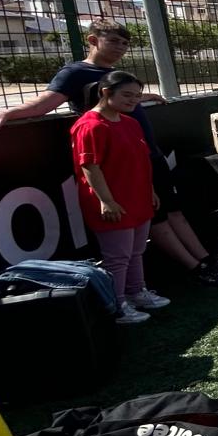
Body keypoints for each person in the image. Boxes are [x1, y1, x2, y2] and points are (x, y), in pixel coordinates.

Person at [0, 18, 218, 286]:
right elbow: (44, 104)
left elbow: (121, 99)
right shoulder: (74, 73)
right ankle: (194, 268)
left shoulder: (117, 78)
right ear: (92, 40)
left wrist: (145, 97)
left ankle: (206, 259)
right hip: (120, 164)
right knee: (154, 219)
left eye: (125, 43)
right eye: (113, 41)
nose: (120, 47)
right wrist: (11, 112)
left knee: (172, 210)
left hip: (147, 155)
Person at [71, 70, 161, 326]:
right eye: (127, 95)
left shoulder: (130, 122)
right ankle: (117, 304)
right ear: (106, 92)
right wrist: (106, 201)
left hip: (138, 198)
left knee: (136, 250)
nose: (133, 100)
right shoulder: (90, 126)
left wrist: (150, 190)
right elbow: (90, 166)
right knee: (117, 256)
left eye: (137, 96)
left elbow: (140, 162)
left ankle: (136, 292)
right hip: (113, 202)